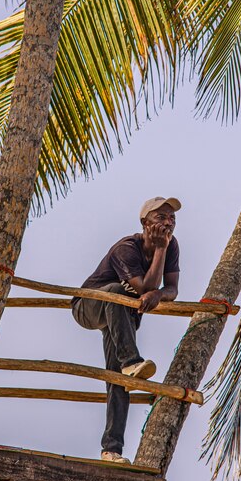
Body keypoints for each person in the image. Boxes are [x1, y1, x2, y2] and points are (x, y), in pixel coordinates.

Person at [71, 197, 181, 463]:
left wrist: (159, 293)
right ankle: (131, 360)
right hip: (89, 306)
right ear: (145, 223)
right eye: (161, 217)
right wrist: (159, 256)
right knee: (118, 293)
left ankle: (112, 450)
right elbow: (145, 287)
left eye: (172, 218)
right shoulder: (126, 248)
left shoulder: (171, 245)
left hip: (120, 318)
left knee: (119, 380)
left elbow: (172, 289)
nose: (167, 223)